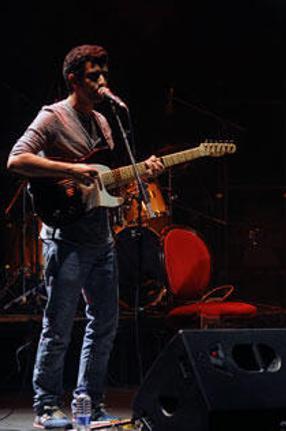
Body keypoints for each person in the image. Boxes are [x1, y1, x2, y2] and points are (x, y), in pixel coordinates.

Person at [7, 45, 163, 428]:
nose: (102, 82)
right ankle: (45, 406)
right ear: (74, 79)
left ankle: (89, 403)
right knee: (58, 325)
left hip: (101, 239)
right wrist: (70, 171)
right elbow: (16, 159)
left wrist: (139, 174)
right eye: (94, 76)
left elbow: (105, 182)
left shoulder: (105, 122)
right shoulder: (52, 117)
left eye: (104, 75)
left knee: (105, 324)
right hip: (65, 239)